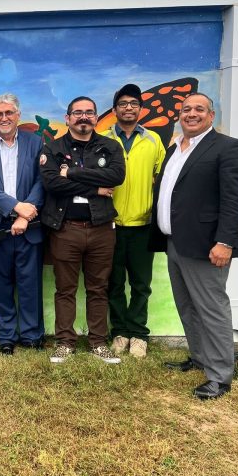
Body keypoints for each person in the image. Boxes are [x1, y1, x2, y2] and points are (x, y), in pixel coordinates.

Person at [150, 93, 238, 400]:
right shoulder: (176, 148)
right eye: (186, 109)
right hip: (175, 241)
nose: (191, 114)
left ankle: (219, 376)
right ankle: (199, 357)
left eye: (199, 109)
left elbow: (234, 200)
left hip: (208, 245)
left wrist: (224, 241)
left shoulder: (229, 148)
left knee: (211, 308)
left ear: (211, 116)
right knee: (187, 305)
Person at [40, 96, 125, 364]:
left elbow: (116, 177)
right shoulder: (52, 149)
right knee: (65, 288)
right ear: (68, 118)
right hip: (66, 229)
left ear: (96, 118)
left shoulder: (110, 147)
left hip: (101, 228)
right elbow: (52, 183)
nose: (83, 117)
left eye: (89, 112)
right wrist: (95, 188)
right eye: (77, 113)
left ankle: (98, 342)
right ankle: (65, 342)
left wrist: (73, 174)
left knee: (98, 288)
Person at [0, 94, 45, 356]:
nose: (4, 118)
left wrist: (25, 216)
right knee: (0, 286)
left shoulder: (36, 143)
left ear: (18, 115)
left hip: (29, 225)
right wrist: (15, 207)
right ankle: (5, 337)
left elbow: (41, 180)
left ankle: (32, 335)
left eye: (9, 113)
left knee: (30, 283)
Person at [104, 84, 166, 358]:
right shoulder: (102, 139)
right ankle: (119, 332)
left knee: (141, 283)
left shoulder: (153, 140)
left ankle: (139, 334)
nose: (128, 107)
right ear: (115, 109)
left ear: (141, 109)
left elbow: (163, 178)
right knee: (114, 282)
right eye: (123, 103)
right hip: (109, 226)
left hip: (143, 225)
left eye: (134, 103)